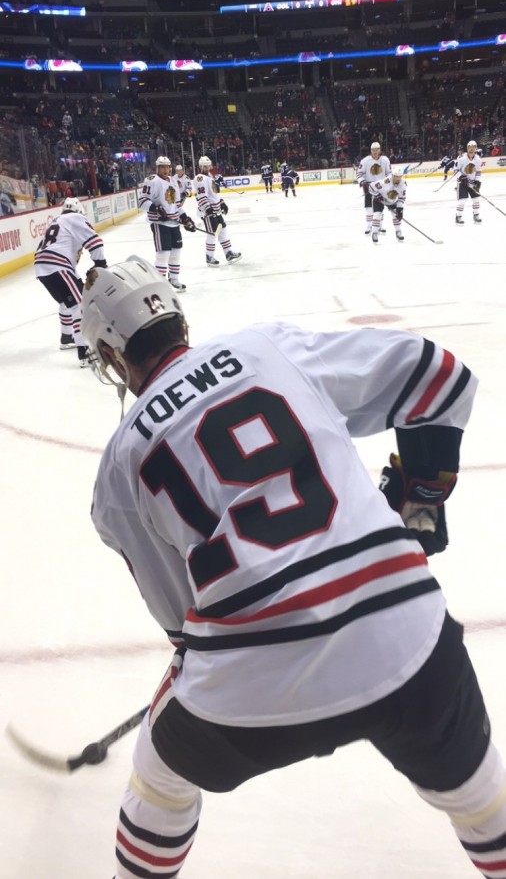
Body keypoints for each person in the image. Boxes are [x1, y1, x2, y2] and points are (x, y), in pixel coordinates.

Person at [81, 255, 506, 879]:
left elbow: (182, 624)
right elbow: (440, 380)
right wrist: (419, 504)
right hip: (404, 637)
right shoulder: (267, 349)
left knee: (161, 779)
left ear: (114, 358)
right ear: (178, 318)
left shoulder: (118, 468)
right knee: (481, 800)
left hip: (249, 685)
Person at [34, 197, 107, 365]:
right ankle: (84, 351)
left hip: (42, 267)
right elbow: (95, 241)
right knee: (79, 304)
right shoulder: (76, 218)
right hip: (57, 265)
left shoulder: (57, 221)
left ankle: (67, 336)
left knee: (66, 301)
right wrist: (101, 263)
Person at [138, 155, 196, 292]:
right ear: (157, 168)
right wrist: (156, 209)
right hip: (159, 223)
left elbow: (176, 203)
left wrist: (185, 218)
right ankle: (161, 283)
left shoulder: (174, 181)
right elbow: (142, 201)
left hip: (174, 222)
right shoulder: (151, 181)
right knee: (163, 253)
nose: (165, 169)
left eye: (167, 166)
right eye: (162, 167)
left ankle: (174, 279)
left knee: (176, 251)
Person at [192, 156, 241, 267]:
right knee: (213, 234)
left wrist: (221, 203)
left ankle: (228, 253)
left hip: (216, 210)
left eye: (208, 165)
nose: (207, 168)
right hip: (208, 212)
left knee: (222, 230)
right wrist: (207, 209)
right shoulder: (199, 178)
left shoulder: (209, 176)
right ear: (200, 166)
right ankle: (209, 257)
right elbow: (201, 195)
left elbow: (213, 194)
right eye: (205, 166)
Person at [356, 141, 392, 235]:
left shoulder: (385, 160)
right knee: (369, 207)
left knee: (380, 206)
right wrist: (363, 182)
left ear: (380, 150)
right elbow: (359, 173)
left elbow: (389, 173)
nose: (375, 152)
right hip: (369, 185)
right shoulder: (365, 161)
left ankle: (380, 226)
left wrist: (386, 182)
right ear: (371, 151)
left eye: (377, 150)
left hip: (381, 186)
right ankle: (369, 226)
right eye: (373, 150)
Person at [369, 165, 407, 243]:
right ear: (393, 175)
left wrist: (400, 209)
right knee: (377, 215)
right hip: (379, 200)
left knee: (396, 216)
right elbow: (371, 187)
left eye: (400, 177)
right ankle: (375, 232)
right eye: (396, 176)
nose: (398, 179)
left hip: (392, 200)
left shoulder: (403, 184)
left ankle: (398, 232)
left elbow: (401, 198)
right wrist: (377, 195)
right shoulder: (385, 182)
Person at [455, 140, 482, 225]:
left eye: (473, 147)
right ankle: (458, 216)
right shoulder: (461, 158)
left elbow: (478, 171)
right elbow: (455, 170)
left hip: (472, 182)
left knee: (476, 199)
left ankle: (476, 215)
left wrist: (477, 180)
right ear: (467, 148)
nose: (471, 149)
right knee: (463, 200)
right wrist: (461, 177)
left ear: (476, 148)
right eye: (470, 147)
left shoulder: (478, 159)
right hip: (462, 183)